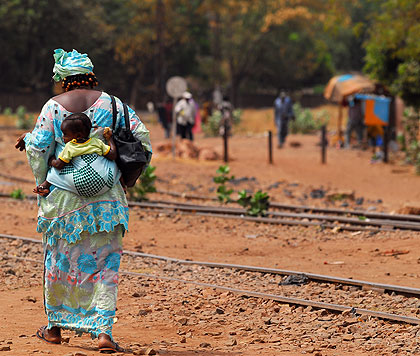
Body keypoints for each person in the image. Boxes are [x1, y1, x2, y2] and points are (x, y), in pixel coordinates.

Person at [15, 48, 152, 353]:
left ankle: (53, 328)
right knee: (106, 263)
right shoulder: (117, 105)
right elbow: (143, 142)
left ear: (63, 79)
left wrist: (42, 183)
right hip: (106, 200)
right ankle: (102, 332)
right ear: (90, 75)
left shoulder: (52, 107)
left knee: (59, 260)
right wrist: (125, 179)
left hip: (62, 200)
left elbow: (38, 148)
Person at [33, 113, 117, 196]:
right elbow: (113, 155)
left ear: (78, 136)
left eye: (65, 134)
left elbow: (59, 165)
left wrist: (51, 161)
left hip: (82, 185)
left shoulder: (70, 146)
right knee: (113, 164)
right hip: (106, 183)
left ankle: (44, 186)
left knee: (56, 170)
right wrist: (109, 139)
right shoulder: (97, 142)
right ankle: (122, 184)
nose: (63, 137)